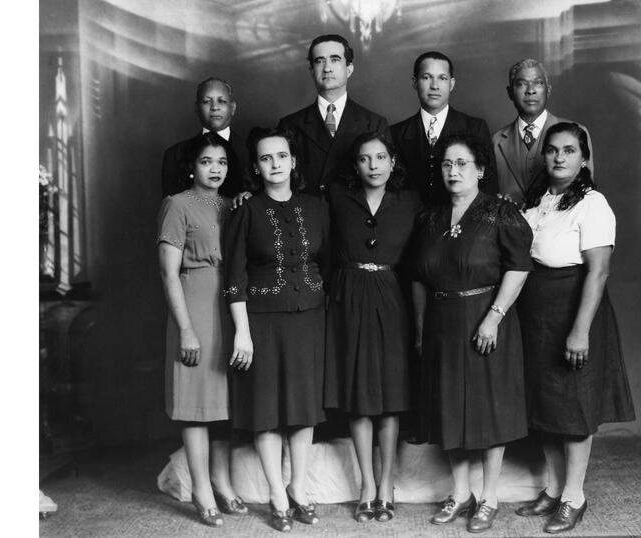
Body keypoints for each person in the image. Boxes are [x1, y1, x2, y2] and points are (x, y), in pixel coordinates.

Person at [411, 133, 534, 533]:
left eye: (462, 164)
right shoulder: (429, 218)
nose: (453, 171)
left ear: (480, 169)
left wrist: (493, 318)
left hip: (486, 320)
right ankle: (460, 492)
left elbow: (518, 267)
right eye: (447, 164)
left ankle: (490, 496)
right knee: (450, 408)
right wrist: (419, 327)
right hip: (442, 322)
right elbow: (417, 275)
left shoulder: (500, 212)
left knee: (488, 410)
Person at [516, 122, 635, 534]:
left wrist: (580, 329)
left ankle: (574, 496)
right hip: (536, 310)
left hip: (573, 306)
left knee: (574, 407)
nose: (559, 157)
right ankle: (552, 488)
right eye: (552, 150)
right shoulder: (538, 201)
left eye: (569, 150)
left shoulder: (593, 204)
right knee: (546, 404)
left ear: (583, 158)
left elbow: (598, 272)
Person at [223, 128, 329, 533]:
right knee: (266, 411)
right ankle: (277, 494)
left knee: (303, 410)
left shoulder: (316, 207)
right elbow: (233, 278)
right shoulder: (245, 211)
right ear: (255, 167)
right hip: (262, 323)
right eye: (266, 158)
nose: (275, 164)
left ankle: (298, 488)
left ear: (293, 161)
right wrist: (242, 332)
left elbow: (329, 263)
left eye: (281, 156)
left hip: (309, 319)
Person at [323, 132, 423, 523]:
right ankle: (366, 485)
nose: (374, 165)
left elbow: (420, 259)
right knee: (359, 393)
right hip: (349, 297)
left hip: (392, 296)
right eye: (365, 159)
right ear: (355, 165)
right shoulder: (336, 198)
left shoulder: (411, 202)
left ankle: (386, 484)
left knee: (390, 395)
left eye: (381, 157)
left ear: (393, 162)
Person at [157, 132, 247, 527]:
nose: (215, 169)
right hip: (194, 303)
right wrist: (186, 330)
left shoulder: (233, 205)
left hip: (229, 305)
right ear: (192, 166)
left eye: (222, 163)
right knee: (195, 404)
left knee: (224, 403)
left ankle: (223, 482)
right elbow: (168, 272)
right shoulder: (177, 204)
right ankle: (201, 488)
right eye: (207, 162)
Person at [277, 34, 391, 198]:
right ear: (311, 71)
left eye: (335, 59)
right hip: (308, 216)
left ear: (349, 69)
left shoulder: (374, 123)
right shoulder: (290, 125)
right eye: (319, 61)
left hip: (355, 217)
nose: (327, 68)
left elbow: (387, 183)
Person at [392, 51, 497, 206]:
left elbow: (488, 186)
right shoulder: (395, 133)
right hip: (410, 223)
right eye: (426, 77)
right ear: (414, 82)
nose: (434, 86)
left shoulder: (474, 127)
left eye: (442, 78)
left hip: (463, 223)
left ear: (451, 84)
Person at [492, 59, 594, 207]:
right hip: (509, 227)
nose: (530, 90)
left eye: (538, 83)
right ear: (510, 93)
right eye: (521, 84)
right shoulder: (495, 141)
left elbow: (585, 193)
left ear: (548, 90)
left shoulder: (575, 132)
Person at [162, 77, 251, 198]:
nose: (214, 107)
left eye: (222, 101)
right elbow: (172, 206)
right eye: (206, 101)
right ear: (196, 108)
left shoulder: (251, 151)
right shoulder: (175, 155)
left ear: (233, 108)